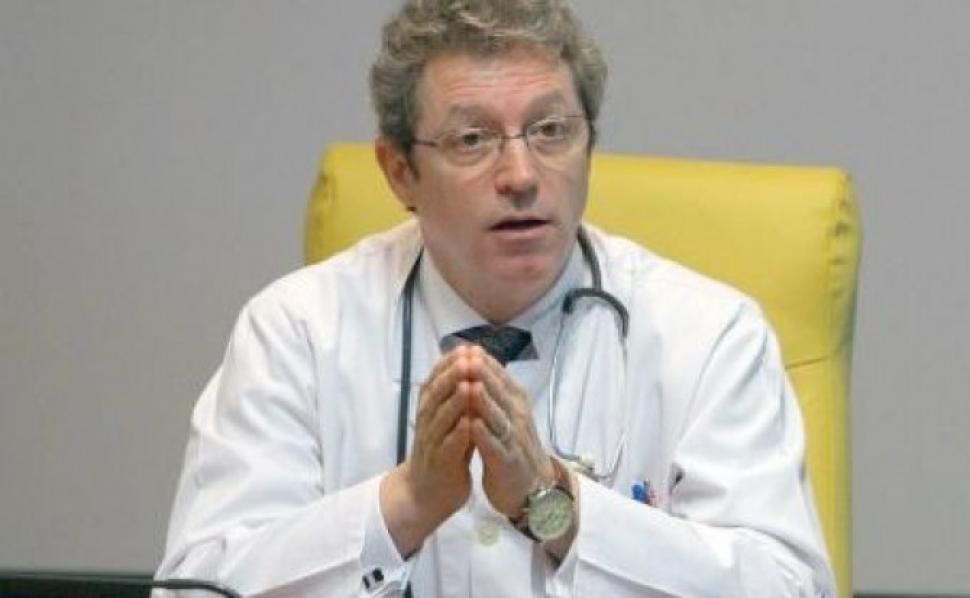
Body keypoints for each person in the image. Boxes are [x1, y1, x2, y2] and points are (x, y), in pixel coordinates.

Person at [157, 1, 836, 596]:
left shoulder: (708, 336)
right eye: (473, 140)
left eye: (551, 131)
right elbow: (200, 588)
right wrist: (406, 505)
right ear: (400, 171)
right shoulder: (297, 333)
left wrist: (557, 506)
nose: (521, 175)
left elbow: (789, 587)